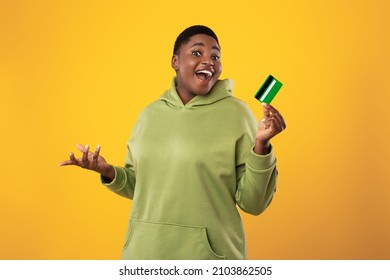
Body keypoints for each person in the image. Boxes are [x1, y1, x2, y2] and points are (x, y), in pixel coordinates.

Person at [60, 25, 286, 260]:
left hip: (207, 259)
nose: (209, 61)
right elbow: (144, 188)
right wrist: (107, 172)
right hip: (144, 254)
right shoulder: (149, 114)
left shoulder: (236, 114)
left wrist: (262, 146)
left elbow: (254, 203)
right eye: (197, 53)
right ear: (175, 61)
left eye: (215, 56)